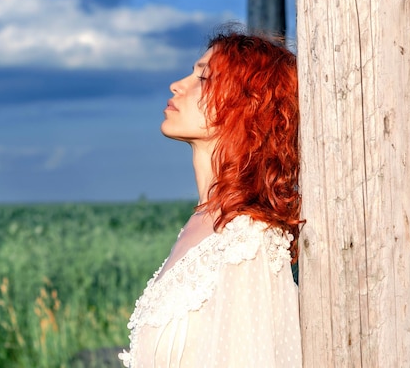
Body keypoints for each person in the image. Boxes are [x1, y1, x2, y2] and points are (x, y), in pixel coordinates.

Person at [119, 25, 303, 368]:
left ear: (247, 107)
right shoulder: (203, 222)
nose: (178, 85)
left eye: (203, 79)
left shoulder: (248, 239)